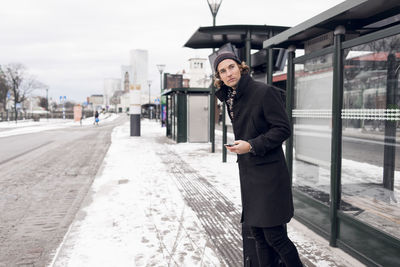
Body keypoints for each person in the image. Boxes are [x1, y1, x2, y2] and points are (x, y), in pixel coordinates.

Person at [213, 52, 302, 267]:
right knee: (258, 235)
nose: (228, 73)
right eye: (222, 71)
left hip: (269, 177)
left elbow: (283, 129)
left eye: (231, 67)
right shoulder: (231, 97)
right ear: (219, 77)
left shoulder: (263, 92)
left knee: (274, 236)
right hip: (251, 176)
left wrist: (251, 145)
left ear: (241, 68)